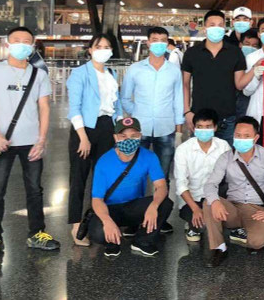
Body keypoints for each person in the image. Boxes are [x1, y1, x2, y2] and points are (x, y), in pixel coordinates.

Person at [0, 26, 59, 261]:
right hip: (2, 143)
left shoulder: (39, 74)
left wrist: (42, 140)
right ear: (8, 44)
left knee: (35, 190)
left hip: (31, 142)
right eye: (17, 40)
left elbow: (44, 107)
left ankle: (37, 233)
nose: (22, 44)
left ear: (33, 46)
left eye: (27, 41)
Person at [202, 116, 264, 266]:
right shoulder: (225, 157)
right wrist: (216, 201)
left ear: (256, 138)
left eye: (246, 136)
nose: (241, 139)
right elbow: (210, 184)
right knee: (209, 203)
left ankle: (240, 234)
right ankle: (219, 248)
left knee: (257, 243)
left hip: (256, 209)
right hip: (232, 208)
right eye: (238, 135)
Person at [121, 27, 184, 235]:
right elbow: (125, 97)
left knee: (163, 175)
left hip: (165, 129)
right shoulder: (135, 69)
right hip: (140, 129)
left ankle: (160, 216)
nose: (158, 43)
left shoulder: (174, 70)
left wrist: (178, 126)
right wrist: (136, 114)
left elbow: (178, 99)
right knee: (134, 174)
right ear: (147, 42)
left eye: (163, 40)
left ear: (167, 44)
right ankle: (132, 218)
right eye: (154, 40)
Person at [87, 117, 173, 257]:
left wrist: (154, 206)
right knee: (98, 233)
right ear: (115, 138)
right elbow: (97, 199)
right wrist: (107, 221)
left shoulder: (149, 157)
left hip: (133, 206)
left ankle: (142, 241)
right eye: (123, 136)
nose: (129, 140)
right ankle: (112, 242)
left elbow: (161, 186)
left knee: (165, 203)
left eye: (134, 136)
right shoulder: (104, 162)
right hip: (111, 209)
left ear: (140, 136)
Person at [66, 33, 123, 246]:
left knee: (103, 176)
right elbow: (74, 107)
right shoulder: (80, 73)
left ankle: (99, 220)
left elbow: (116, 106)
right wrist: (82, 137)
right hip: (85, 128)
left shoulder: (112, 73)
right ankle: (76, 225)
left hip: (107, 127)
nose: (104, 49)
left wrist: (117, 132)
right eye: (99, 46)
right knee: (79, 178)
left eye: (107, 46)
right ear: (90, 49)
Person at [182, 10, 256, 143]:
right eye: (212, 25)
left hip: (227, 118)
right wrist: (187, 111)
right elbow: (185, 84)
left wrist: (254, 69)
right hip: (200, 118)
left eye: (220, 25)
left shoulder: (235, 52)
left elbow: (239, 84)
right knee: (199, 159)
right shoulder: (192, 53)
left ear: (224, 28)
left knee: (226, 159)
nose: (216, 28)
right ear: (205, 29)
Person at [173, 108, 231, 242]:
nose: (203, 130)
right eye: (199, 127)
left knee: (218, 219)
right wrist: (195, 209)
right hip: (192, 200)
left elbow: (230, 177)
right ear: (194, 128)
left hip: (215, 197)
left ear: (215, 128)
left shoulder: (223, 146)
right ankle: (193, 223)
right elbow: (181, 184)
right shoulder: (183, 150)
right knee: (201, 226)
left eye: (208, 127)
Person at [237, 29, 261, 118]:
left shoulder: (260, 62)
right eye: (247, 44)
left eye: (254, 45)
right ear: (240, 44)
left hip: (251, 103)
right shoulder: (233, 61)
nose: (250, 47)